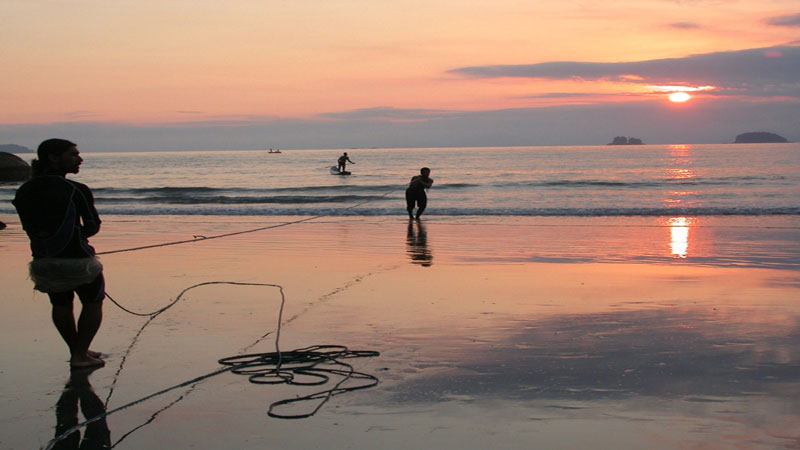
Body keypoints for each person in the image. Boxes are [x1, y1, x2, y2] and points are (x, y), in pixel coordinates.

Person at [13, 139, 106, 369]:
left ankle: (78, 351)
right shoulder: (76, 189)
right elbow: (93, 226)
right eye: (73, 154)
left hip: (43, 260)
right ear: (54, 158)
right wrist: (80, 236)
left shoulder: (24, 190)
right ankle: (80, 355)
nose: (79, 159)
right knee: (93, 302)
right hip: (78, 261)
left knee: (61, 305)